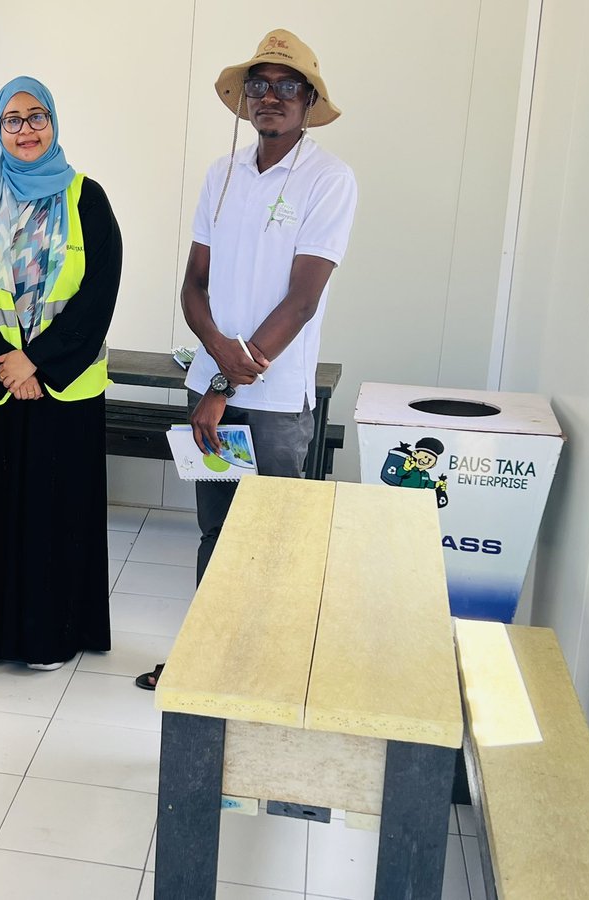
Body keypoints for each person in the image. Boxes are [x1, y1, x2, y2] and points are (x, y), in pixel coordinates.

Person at [136, 29, 358, 690]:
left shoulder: (329, 180)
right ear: (245, 99)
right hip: (212, 390)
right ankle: (205, 662)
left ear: (309, 98)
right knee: (215, 533)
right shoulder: (222, 175)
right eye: (258, 84)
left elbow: (302, 301)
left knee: (269, 546)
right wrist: (216, 367)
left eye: (286, 85)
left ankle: (264, 677)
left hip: (273, 403)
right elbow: (192, 287)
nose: (270, 96)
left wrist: (224, 384)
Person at [0, 76, 122, 670]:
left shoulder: (85, 197)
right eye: (11, 120)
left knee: (56, 514)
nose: (25, 130)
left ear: (54, 123)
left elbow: (99, 293)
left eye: (36, 116)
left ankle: (53, 636)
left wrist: (36, 361)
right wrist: (6, 366)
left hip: (63, 390)